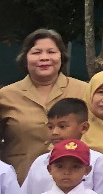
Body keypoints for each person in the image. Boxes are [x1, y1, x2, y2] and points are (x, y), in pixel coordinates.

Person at [1, 29, 91, 180]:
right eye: (36, 52)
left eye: (51, 52)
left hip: (74, 181)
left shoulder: (85, 91)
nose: (44, 58)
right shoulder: (5, 96)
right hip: (19, 180)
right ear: (25, 58)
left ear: (61, 56)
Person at [18, 97, 103, 194]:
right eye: (50, 127)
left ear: (84, 128)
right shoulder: (40, 161)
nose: (55, 132)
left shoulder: (97, 161)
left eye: (62, 126)